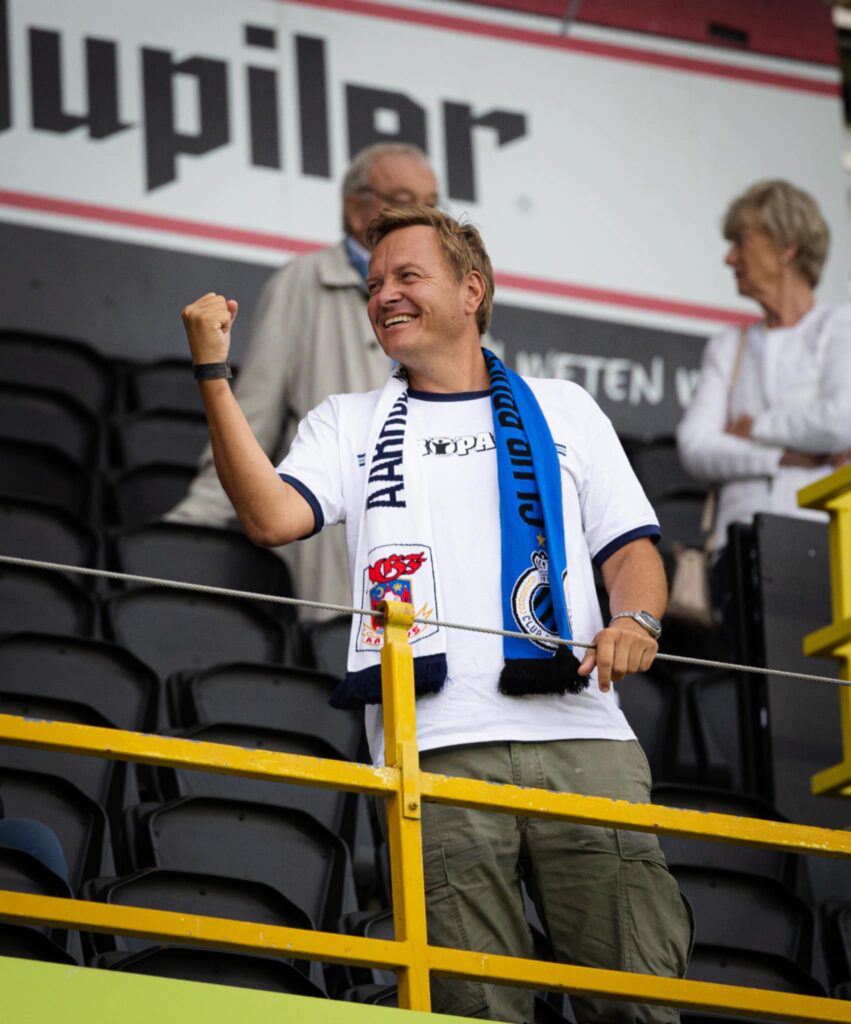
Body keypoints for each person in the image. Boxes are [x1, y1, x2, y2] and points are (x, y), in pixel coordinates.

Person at [180, 206, 692, 1023]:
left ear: (471, 291)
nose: (384, 294)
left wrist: (636, 622)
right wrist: (213, 375)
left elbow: (630, 551)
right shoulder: (344, 420)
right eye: (374, 283)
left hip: (583, 740)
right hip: (434, 753)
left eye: (407, 276)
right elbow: (272, 516)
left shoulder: (564, 407)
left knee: (635, 999)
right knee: (472, 1007)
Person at [167, 143, 439, 615]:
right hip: (329, 537)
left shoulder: (452, 297)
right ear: (356, 209)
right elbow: (253, 414)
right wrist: (193, 524)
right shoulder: (302, 281)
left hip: (429, 534)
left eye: (431, 203)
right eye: (402, 197)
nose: (421, 215)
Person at [676, 179, 851, 630]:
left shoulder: (839, 326)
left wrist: (755, 426)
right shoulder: (728, 345)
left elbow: (842, 422)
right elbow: (695, 446)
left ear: (786, 247)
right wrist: (785, 457)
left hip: (828, 539)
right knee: (757, 696)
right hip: (738, 547)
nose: (729, 258)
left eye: (741, 243)